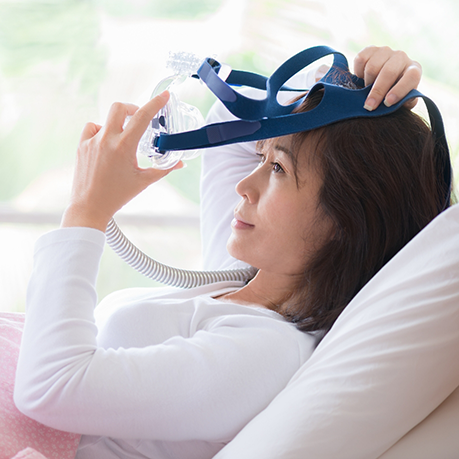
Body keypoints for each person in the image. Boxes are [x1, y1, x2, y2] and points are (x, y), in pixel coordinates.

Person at [13, 46, 445, 459]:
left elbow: (51, 387)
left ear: (346, 221)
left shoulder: (265, 351)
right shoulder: (242, 276)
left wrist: (86, 209)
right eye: (262, 156)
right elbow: (231, 118)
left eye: (277, 169)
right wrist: (343, 87)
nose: (245, 184)